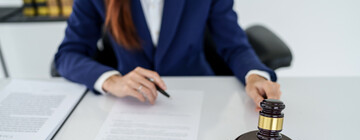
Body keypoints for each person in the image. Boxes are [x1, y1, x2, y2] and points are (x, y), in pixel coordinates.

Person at [55, 0, 281, 110]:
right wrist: (111, 81)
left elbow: (235, 46)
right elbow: (68, 54)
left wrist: (255, 76)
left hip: (198, 99)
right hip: (131, 104)